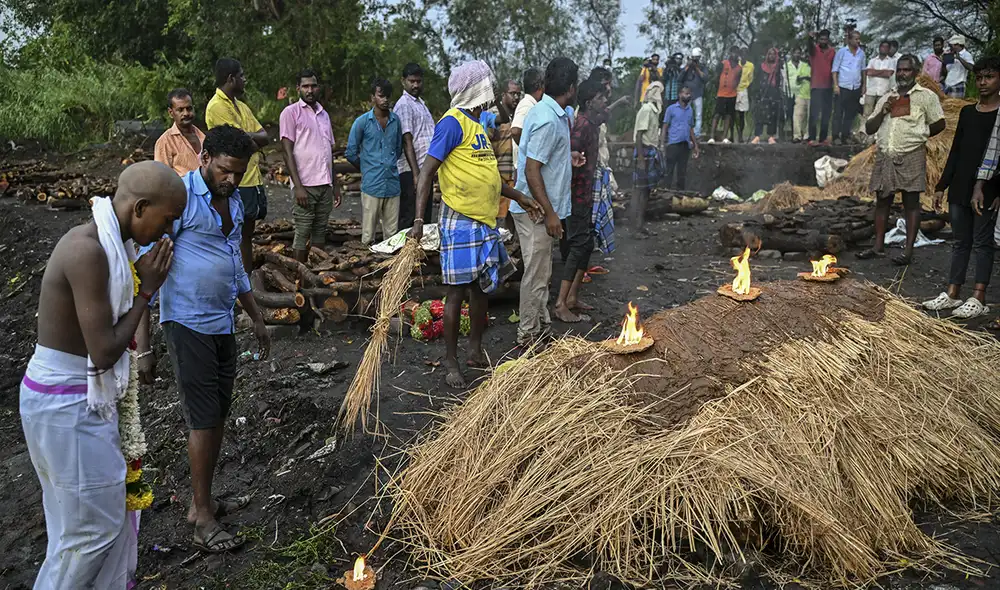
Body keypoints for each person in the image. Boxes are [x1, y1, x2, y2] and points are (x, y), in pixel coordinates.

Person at [21, 161, 185, 590]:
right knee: (88, 534)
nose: (168, 232)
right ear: (141, 207)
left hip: (78, 398)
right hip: (66, 403)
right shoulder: (88, 250)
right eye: (167, 219)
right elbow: (105, 349)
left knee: (96, 523)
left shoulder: (115, 246)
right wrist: (147, 290)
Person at [136, 126, 270, 555]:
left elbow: (235, 264)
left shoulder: (233, 202)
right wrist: (144, 346)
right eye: (226, 170)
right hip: (187, 322)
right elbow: (149, 271)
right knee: (202, 419)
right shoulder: (180, 201)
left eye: (239, 173)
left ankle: (204, 502)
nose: (232, 179)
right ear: (205, 157)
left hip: (222, 323)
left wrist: (256, 315)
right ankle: (201, 519)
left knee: (217, 417)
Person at [409, 61, 541, 387]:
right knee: (455, 294)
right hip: (459, 221)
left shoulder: (478, 125)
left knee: (484, 288)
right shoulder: (451, 123)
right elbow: (426, 173)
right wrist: (417, 221)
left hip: (484, 222)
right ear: (475, 90)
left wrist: (519, 196)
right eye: (487, 86)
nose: (492, 92)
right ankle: (451, 361)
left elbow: (489, 175)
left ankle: (475, 349)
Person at [923, 56, 1000, 318]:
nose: (983, 82)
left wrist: (997, 189)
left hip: (988, 188)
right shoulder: (968, 112)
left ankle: (978, 296)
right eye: (979, 77)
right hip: (960, 185)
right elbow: (955, 152)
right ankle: (953, 293)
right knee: (959, 241)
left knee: (982, 242)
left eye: (989, 76)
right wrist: (941, 186)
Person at [511, 57, 578, 346]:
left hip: (541, 207)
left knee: (543, 272)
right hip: (536, 210)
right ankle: (527, 335)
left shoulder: (554, 114)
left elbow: (543, 160)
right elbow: (531, 168)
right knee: (537, 275)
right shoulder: (548, 119)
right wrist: (550, 214)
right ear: (572, 88)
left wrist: (569, 158)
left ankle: (540, 327)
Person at [858, 55, 946, 266]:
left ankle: (908, 251)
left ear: (916, 72)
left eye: (906, 70)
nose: (902, 74)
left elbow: (940, 123)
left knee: (911, 203)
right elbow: (870, 128)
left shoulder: (926, 96)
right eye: (899, 70)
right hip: (886, 153)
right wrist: (884, 110)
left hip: (912, 152)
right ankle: (878, 246)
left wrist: (919, 135)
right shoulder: (887, 96)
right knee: (883, 200)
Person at [205, 58, 269, 273]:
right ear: (231, 78)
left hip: (251, 177)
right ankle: (233, 279)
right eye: (241, 75)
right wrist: (248, 139)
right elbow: (238, 146)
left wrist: (246, 138)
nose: (245, 79)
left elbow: (264, 136)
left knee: (247, 234)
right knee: (232, 233)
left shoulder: (241, 107)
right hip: (234, 181)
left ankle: (245, 281)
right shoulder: (216, 107)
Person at [555, 78, 607, 323]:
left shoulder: (592, 124)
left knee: (585, 245)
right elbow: (570, 162)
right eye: (601, 98)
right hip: (576, 196)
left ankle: (572, 297)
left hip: (585, 195)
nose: (605, 101)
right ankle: (560, 303)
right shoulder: (582, 126)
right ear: (589, 102)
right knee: (577, 246)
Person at [279, 69, 340, 263]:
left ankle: (316, 275)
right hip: (305, 185)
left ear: (318, 87)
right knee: (303, 232)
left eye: (313, 86)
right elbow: (287, 151)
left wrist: (335, 184)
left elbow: (328, 152)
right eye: (305, 86)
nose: (310, 90)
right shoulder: (290, 113)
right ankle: (299, 278)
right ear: (298, 88)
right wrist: (297, 186)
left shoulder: (324, 115)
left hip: (325, 183)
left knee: (320, 232)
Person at [346, 78, 403, 245]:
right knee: (368, 234)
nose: (385, 100)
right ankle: (365, 268)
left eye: (388, 97)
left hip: (392, 185)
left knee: (392, 235)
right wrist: (366, 168)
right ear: (372, 97)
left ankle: (390, 269)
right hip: (372, 185)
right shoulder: (362, 122)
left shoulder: (396, 121)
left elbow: (398, 149)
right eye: (381, 96)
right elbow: (351, 152)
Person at [394, 63, 436, 229]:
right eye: (412, 81)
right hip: (411, 171)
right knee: (410, 217)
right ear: (403, 81)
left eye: (418, 81)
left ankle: (420, 254)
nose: (416, 85)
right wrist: (416, 174)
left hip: (424, 170)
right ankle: (405, 253)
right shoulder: (404, 104)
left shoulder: (420, 104)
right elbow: (407, 140)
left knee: (424, 218)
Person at [632, 81, 664, 230]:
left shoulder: (653, 111)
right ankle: (636, 225)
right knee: (640, 191)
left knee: (646, 191)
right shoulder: (646, 109)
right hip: (644, 152)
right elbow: (639, 135)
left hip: (650, 151)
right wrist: (640, 159)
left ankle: (640, 225)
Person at [491, 79, 523, 223]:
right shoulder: (493, 115)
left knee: (513, 216)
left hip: (514, 174)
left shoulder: (521, 115)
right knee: (498, 219)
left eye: (518, 94)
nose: (516, 97)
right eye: (512, 94)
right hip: (498, 176)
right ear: (503, 95)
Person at [155, 89, 206, 176]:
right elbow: (161, 177)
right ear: (171, 113)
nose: (186, 113)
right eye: (180, 110)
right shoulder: (165, 142)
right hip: (181, 189)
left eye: (189, 108)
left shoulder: (203, 136)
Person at [660, 85, 700, 188]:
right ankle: (666, 192)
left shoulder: (690, 110)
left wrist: (695, 145)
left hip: (685, 145)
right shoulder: (671, 109)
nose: (688, 96)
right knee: (669, 171)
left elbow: (690, 128)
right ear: (680, 95)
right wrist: (662, 144)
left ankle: (680, 194)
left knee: (682, 172)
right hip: (673, 144)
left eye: (689, 94)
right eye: (686, 93)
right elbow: (665, 126)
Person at [831, 30, 866, 145]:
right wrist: (836, 85)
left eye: (859, 39)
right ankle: (836, 136)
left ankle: (845, 136)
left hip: (855, 87)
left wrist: (863, 85)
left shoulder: (861, 53)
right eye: (856, 39)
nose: (858, 41)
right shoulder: (841, 52)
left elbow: (863, 71)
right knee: (838, 113)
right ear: (849, 40)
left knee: (850, 114)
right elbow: (835, 70)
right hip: (842, 86)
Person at [808, 29, 837, 146]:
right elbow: (809, 46)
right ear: (818, 39)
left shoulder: (832, 52)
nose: (823, 41)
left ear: (828, 39)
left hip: (828, 86)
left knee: (826, 114)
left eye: (825, 39)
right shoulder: (814, 50)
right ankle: (812, 138)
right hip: (816, 86)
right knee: (814, 114)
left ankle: (823, 138)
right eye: (821, 39)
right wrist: (810, 38)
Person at [512, 67, 545, 169]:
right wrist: (532, 153)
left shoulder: (533, 105)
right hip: (525, 169)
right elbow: (516, 131)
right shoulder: (527, 105)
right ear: (539, 86)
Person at [708, 46, 743, 144]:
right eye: (733, 52)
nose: (735, 54)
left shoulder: (739, 68)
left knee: (728, 116)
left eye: (737, 53)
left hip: (732, 94)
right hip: (721, 93)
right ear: (730, 52)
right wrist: (716, 90)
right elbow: (716, 77)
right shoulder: (723, 63)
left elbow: (738, 80)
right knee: (717, 115)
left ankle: (724, 137)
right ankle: (711, 137)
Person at [751, 48, 784, 144]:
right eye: (770, 54)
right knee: (760, 114)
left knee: (773, 115)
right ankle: (757, 136)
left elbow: (780, 80)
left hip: (773, 93)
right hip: (762, 92)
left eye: (774, 54)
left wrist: (779, 64)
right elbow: (757, 79)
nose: (771, 56)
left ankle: (771, 136)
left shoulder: (778, 67)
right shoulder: (761, 66)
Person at [864, 41, 897, 132]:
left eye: (886, 47)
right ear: (879, 48)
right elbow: (868, 72)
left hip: (884, 91)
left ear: (889, 49)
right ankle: (863, 133)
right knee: (867, 113)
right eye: (882, 46)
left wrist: (875, 72)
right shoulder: (872, 60)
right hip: (871, 90)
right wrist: (882, 72)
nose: (884, 49)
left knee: (879, 113)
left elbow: (889, 73)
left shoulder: (891, 61)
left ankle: (876, 135)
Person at [681, 48, 708, 138]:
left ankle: (696, 133)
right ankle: (685, 131)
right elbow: (680, 78)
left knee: (698, 115)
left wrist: (697, 68)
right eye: (693, 58)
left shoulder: (702, 67)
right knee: (685, 113)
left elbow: (705, 79)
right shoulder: (687, 67)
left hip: (698, 94)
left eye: (696, 58)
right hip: (687, 95)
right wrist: (687, 66)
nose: (695, 60)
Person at [786, 48, 812, 141]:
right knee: (797, 116)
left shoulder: (816, 66)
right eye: (807, 56)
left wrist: (807, 78)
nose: (808, 58)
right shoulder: (803, 65)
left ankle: (807, 136)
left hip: (812, 94)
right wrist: (804, 77)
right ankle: (796, 136)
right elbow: (798, 78)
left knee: (810, 117)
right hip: (800, 93)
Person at [734, 48, 754, 142]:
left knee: (742, 114)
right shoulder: (735, 64)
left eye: (746, 54)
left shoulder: (750, 66)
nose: (744, 56)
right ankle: (731, 135)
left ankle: (740, 135)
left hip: (743, 90)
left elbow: (751, 79)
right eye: (742, 54)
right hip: (734, 90)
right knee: (733, 113)